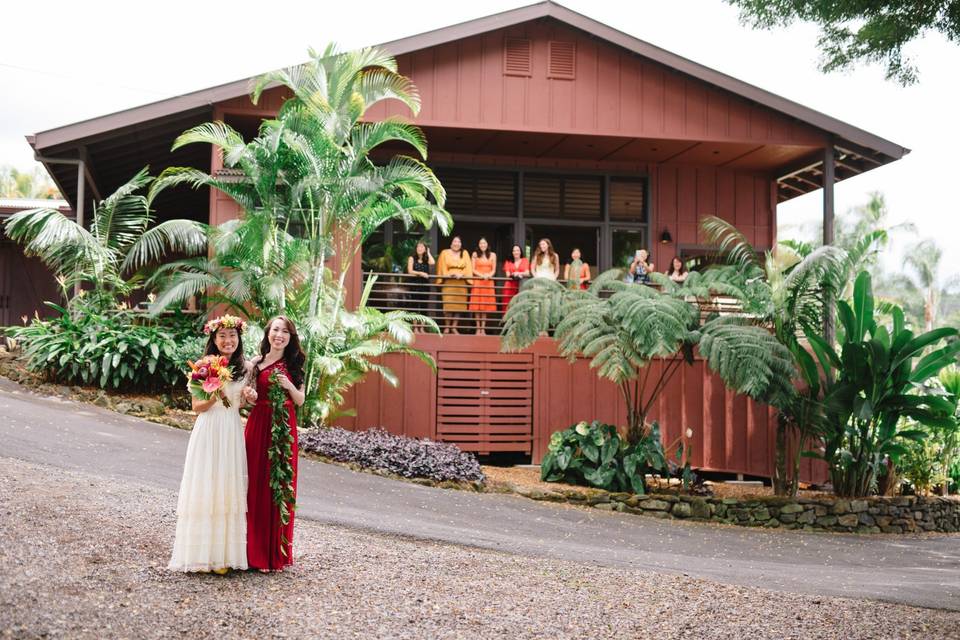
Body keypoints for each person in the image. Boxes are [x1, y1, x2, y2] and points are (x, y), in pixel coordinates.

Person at [169, 314, 257, 574]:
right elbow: (198, 407)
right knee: (206, 486)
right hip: (209, 429)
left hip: (231, 429)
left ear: (239, 338)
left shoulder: (247, 367)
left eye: (232, 336)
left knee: (227, 488)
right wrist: (214, 388)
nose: (228, 340)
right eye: (222, 336)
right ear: (214, 339)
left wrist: (248, 397)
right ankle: (201, 555)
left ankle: (223, 557)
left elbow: (243, 402)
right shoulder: (203, 365)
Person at [245, 316, 305, 572]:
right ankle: (251, 552)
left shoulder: (294, 364)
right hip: (258, 424)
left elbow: (300, 400)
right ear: (268, 333)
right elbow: (247, 398)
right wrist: (249, 396)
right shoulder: (255, 363)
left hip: (282, 430)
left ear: (290, 338)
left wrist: (288, 384)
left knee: (278, 487)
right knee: (253, 484)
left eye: (285, 332)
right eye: (275, 330)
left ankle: (273, 554)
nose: (279, 335)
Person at [436, 236, 473, 334]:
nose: (456, 243)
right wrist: (448, 274)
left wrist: (462, 274)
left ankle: (454, 327)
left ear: (461, 244)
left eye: (459, 242)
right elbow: (441, 265)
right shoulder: (444, 252)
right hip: (449, 282)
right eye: (455, 241)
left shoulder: (465, 253)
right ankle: (447, 327)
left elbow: (468, 266)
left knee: (459, 306)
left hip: (461, 282)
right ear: (451, 243)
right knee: (448, 305)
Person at [469, 237, 497, 335]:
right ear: (478, 245)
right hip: (478, 281)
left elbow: (494, 270)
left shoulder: (493, 255)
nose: (482, 245)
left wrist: (488, 275)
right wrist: (482, 275)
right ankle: (477, 328)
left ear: (487, 244)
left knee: (485, 306)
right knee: (477, 305)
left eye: (484, 243)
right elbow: (472, 269)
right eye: (481, 243)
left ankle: (483, 328)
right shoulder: (475, 254)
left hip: (488, 281)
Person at [406, 241, 435, 332]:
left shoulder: (427, 259)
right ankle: (415, 328)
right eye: (418, 247)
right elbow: (410, 271)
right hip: (414, 285)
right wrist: (421, 273)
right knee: (414, 306)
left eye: (422, 247)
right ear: (416, 248)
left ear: (425, 249)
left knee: (423, 306)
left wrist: (429, 253)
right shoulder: (412, 258)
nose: (420, 248)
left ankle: (422, 328)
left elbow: (433, 262)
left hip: (425, 286)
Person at [501, 244, 530, 312]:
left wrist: (519, 273)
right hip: (509, 287)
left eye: (517, 250)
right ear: (512, 253)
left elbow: (527, 273)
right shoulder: (508, 261)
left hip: (521, 286)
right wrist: (514, 274)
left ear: (520, 252)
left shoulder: (525, 260)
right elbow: (508, 275)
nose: (516, 252)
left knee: (520, 305)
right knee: (508, 305)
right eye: (514, 251)